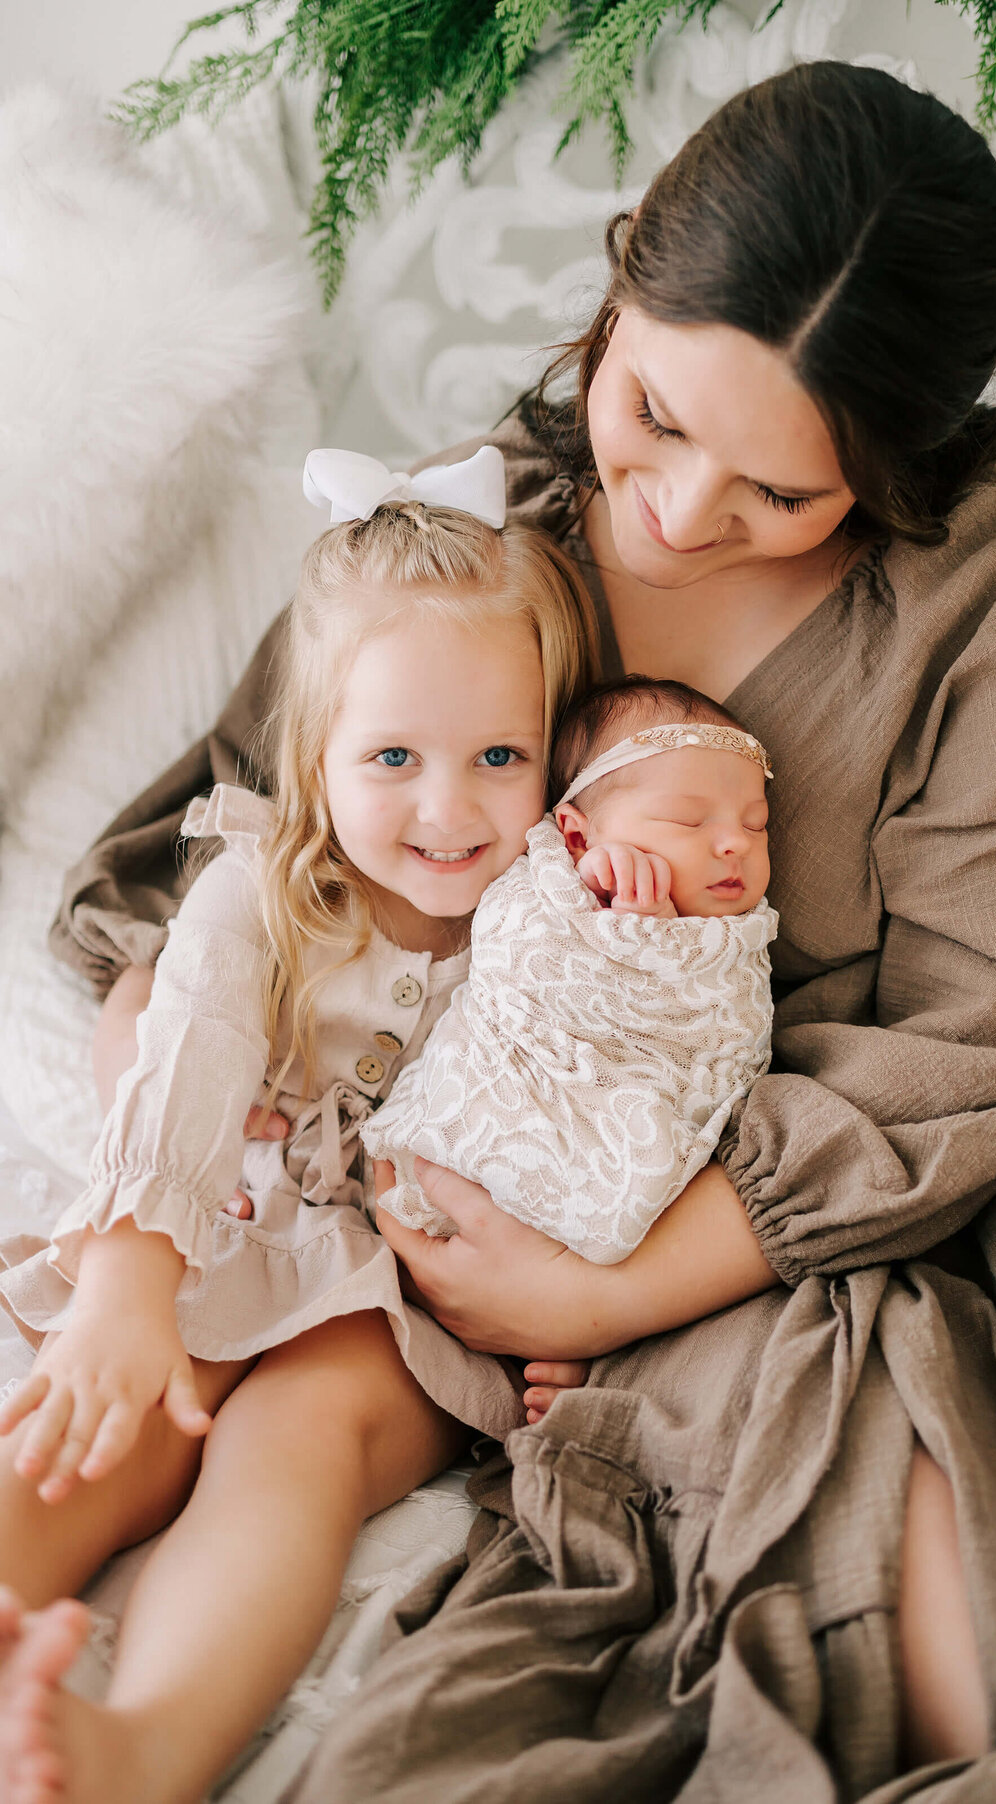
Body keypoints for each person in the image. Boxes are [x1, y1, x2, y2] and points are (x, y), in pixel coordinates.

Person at [19, 56, 996, 1803]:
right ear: (622, 272)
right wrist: (174, 1115)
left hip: (810, 1152)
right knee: (164, 1356)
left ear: (906, 453)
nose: (678, 511)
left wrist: (617, 1274)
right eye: (652, 417)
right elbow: (255, 830)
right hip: (436, 1133)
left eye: (780, 492)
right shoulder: (489, 529)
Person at [0, 450, 599, 1804]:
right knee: (123, 1408)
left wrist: (579, 1320)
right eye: (392, 758)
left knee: (293, 1445)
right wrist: (127, 1280)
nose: (448, 809)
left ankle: (145, 1745)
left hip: (405, 1298)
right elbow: (188, 1066)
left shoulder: (554, 923)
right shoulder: (254, 897)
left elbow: (606, 1118)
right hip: (232, 1217)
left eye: (496, 758)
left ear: (552, 754)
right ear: (314, 758)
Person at [365, 675, 778, 1264]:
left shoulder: (742, 938)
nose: (734, 843)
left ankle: (563, 1305)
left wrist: (661, 941)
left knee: (642, 1195)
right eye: (689, 821)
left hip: (644, 1130)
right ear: (578, 837)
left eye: (755, 824)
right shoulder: (556, 883)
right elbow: (525, 954)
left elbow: (718, 1036)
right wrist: (612, 917)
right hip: (526, 1096)